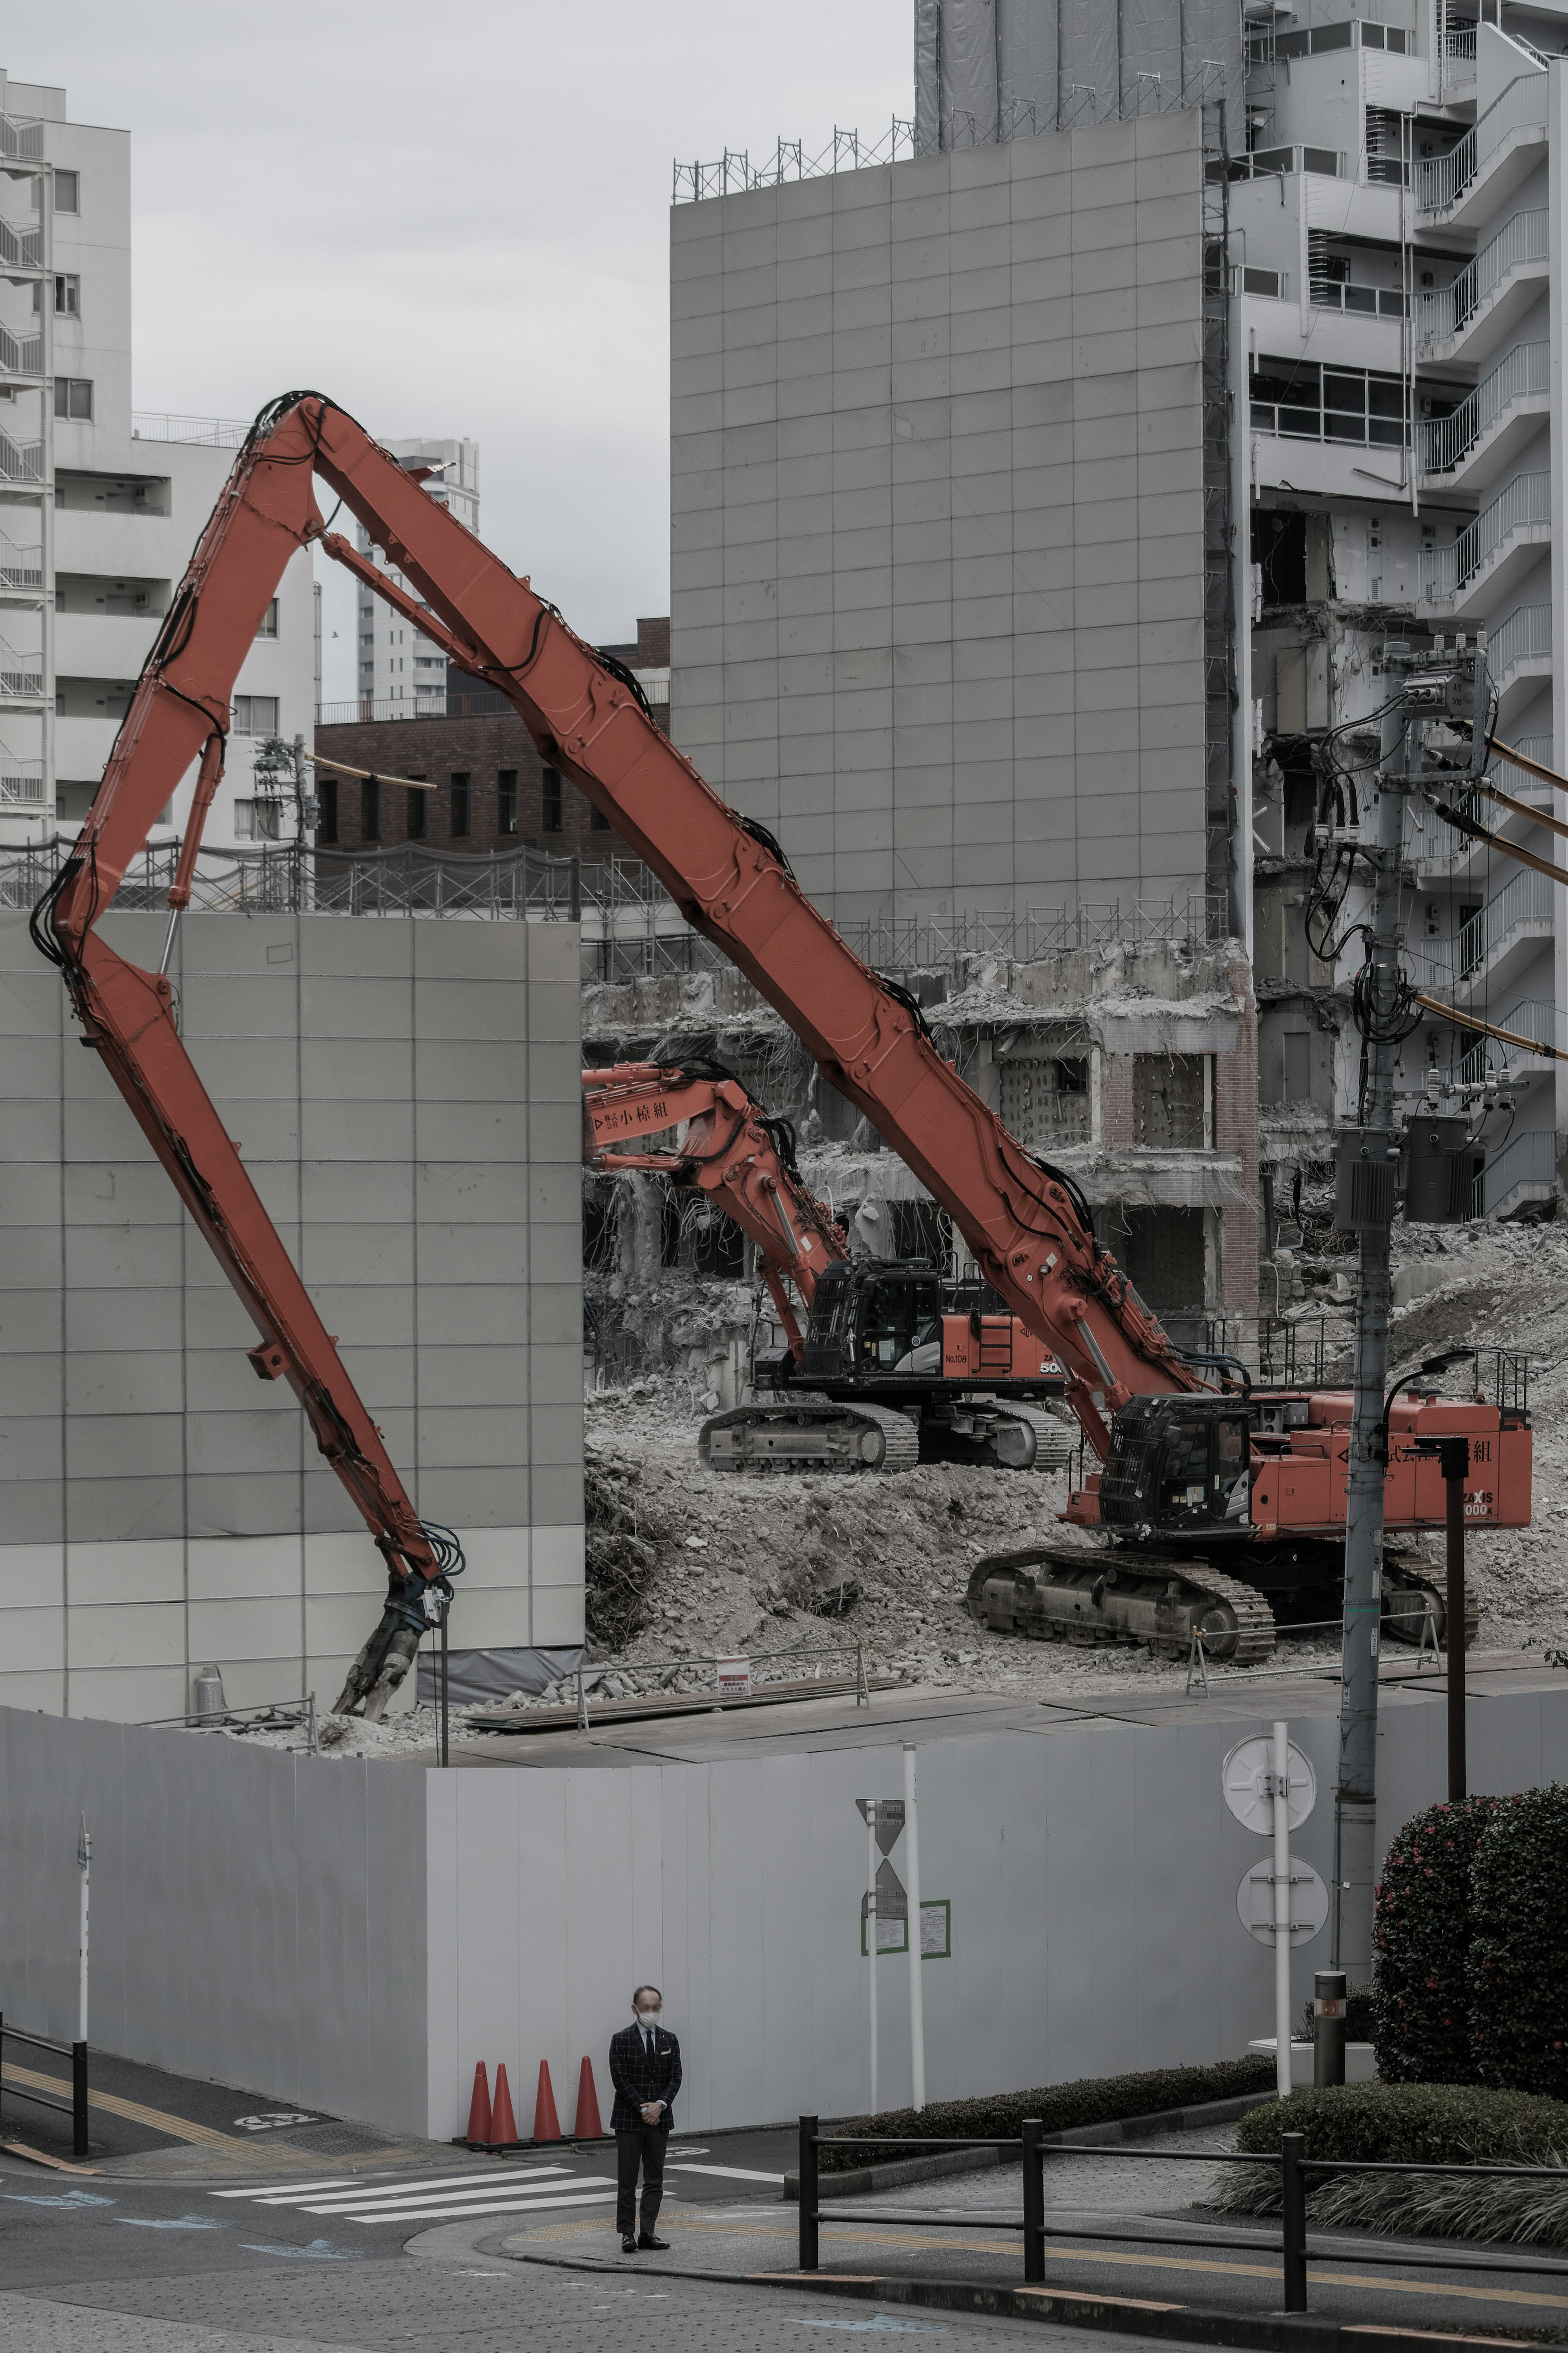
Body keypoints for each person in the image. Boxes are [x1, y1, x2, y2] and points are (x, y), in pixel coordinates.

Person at [608, 1983, 682, 2254]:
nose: (652, 2012)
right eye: (647, 2008)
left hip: (660, 2118)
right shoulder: (621, 2039)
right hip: (629, 2118)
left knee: (655, 2178)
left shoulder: (669, 2039)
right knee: (627, 2179)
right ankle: (627, 2233)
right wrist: (644, 2108)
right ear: (635, 2009)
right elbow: (620, 2078)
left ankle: (647, 2231)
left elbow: (676, 2076)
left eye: (656, 2008)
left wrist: (660, 2105)